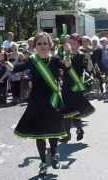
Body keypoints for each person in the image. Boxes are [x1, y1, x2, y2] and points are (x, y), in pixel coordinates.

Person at [9, 32, 71, 176]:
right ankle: (43, 162)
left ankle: (54, 155)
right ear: (35, 46)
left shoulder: (55, 59)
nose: (43, 46)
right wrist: (5, 60)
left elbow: (67, 66)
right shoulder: (32, 60)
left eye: (45, 43)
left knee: (53, 130)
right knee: (40, 134)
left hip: (53, 100)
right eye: (39, 44)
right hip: (37, 101)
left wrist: (67, 53)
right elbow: (15, 68)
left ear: (50, 45)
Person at [60, 34, 95, 143]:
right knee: (66, 111)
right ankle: (67, 135)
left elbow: (89, 69)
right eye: (70, 42)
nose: (71, 44)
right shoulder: (65, 54)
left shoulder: (82, 56)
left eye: (73, 42)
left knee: (75, 111)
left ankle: (79, 129)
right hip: (66, 85)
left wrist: (89, 58)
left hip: (76, 87)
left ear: (78, 44)